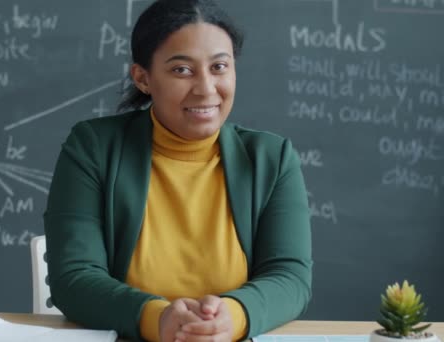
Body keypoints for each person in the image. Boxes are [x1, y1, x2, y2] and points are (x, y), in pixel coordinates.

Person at [43, 0, 312, 341]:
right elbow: (74, 278)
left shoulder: (272, 158)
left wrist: (233, 316)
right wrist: (157, 318)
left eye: (219, 67)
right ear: (143, 78)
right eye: (182, 70)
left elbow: (290, 276)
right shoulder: (93, 147)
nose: (205, 88)